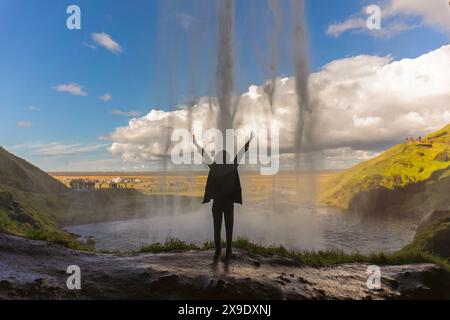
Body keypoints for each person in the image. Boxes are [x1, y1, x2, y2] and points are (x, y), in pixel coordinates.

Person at [193, 132, 255, 260]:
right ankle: (228, 251)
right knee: (229, 228)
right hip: (228, 204)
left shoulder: (214, 167)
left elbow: (204, 154)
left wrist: (196, 144)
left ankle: (217, 251)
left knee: (217, 227)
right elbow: (240, 154)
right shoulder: (232, 166)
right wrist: (247, 143)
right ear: (227, 158)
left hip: (217, 203)